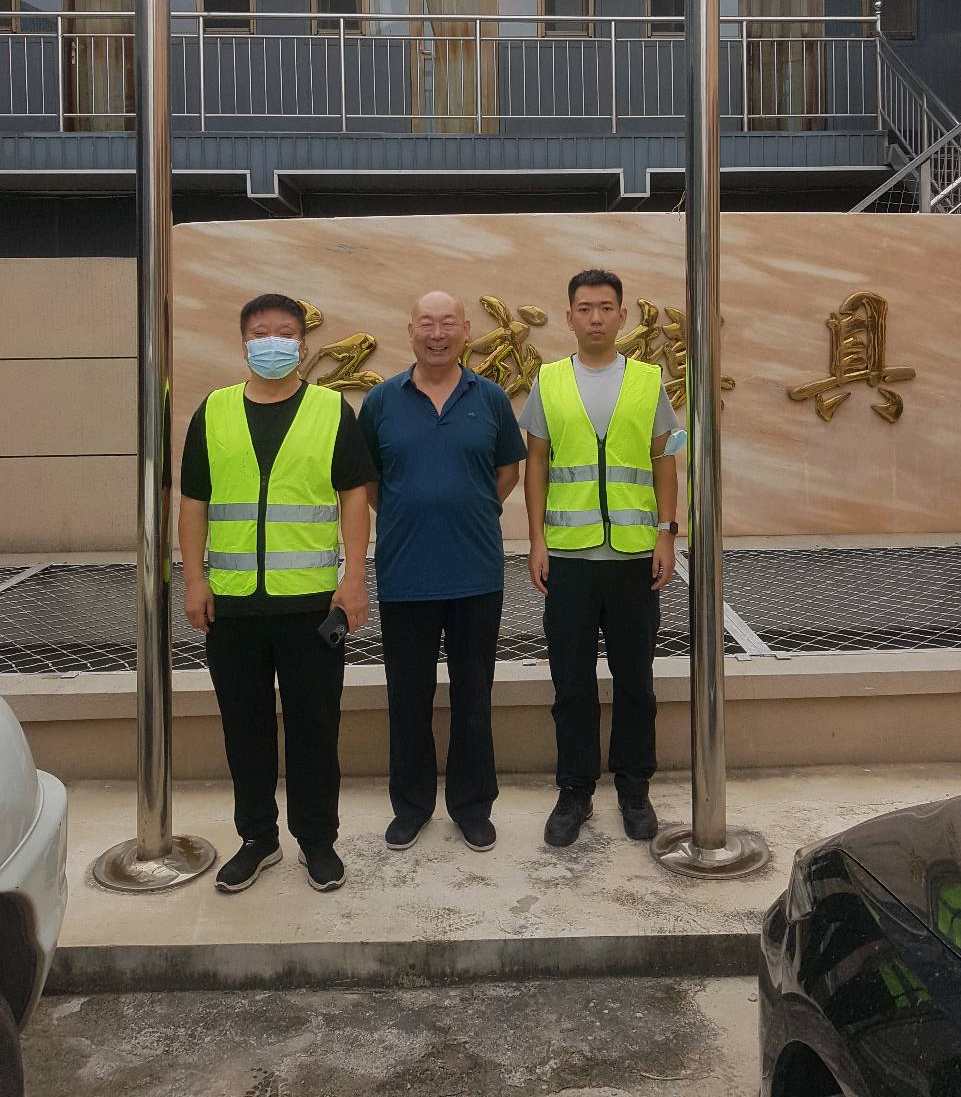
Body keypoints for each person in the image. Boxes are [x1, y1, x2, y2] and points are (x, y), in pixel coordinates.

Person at [179, 292, 376, 894]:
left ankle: (317, 841)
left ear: (303, 343)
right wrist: (194, 579)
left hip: (311, 605)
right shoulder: (214, 410)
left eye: (285, 333)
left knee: (315, 729)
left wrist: (354, 578)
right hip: (233, 605)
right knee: (245, 730)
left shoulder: (331, 409)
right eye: (261, 332)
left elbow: (354, 497)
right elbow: (194, 501)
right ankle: (258, 839)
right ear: (243, 343)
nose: (273, 342)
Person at [358, 291, 527, 854]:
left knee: (473, 697)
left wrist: (471, 506)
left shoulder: (491, 398)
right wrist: (409, 512)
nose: (437, 333)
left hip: (476, 572)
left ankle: (472, 807)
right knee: (407, 698)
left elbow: (508, 471)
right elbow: (369, 481)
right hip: (405, 573)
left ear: (466, 329)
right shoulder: (381, 401)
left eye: (448, 323)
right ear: (410, 330)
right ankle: (411, 807)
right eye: (426, 323)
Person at [520, 269, 679, 848]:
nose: (595, 317)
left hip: (635, 558)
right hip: (570, 558)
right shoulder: (549, 380)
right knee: (572, 684)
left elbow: (666, 459)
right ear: (569, 316)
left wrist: (667, 533)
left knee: (636, 681)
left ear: (622, 316)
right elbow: (537, 463)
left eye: (606, 307)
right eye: (584, 308)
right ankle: (575, 791)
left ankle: (635, 789)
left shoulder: (648, 380)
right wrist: (536, 540)